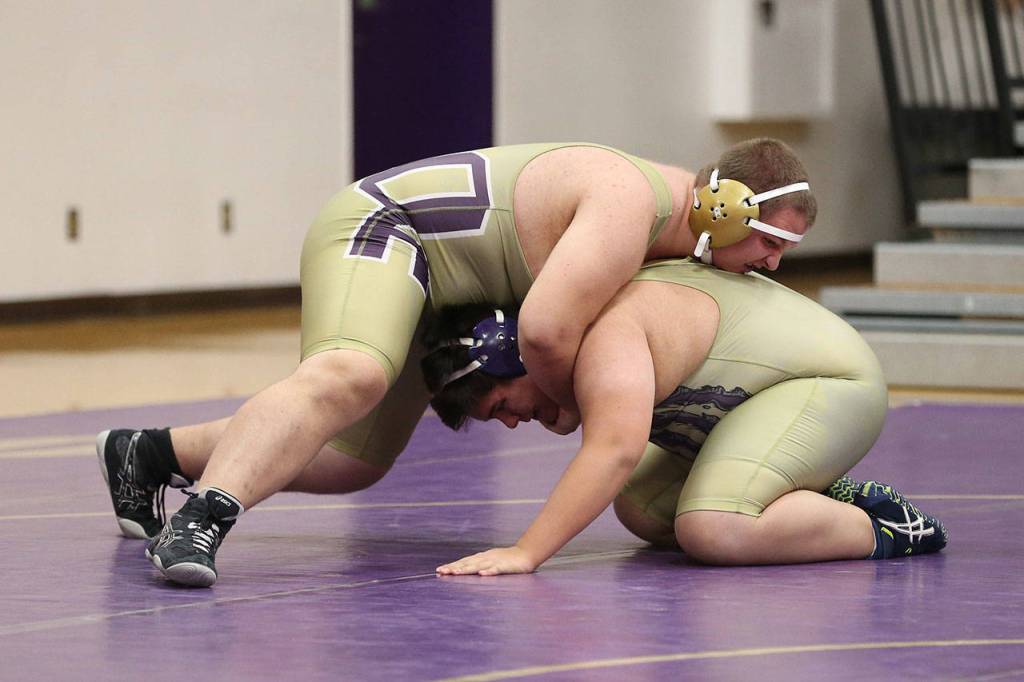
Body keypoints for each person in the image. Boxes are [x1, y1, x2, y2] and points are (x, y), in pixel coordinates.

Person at [97, 138, 815, 587]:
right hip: (387, 231)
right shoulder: (633, 203)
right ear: (723, 207)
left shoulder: (672, 231)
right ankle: (204, 520)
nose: (773, 264)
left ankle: (149, 453)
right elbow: (545, 330)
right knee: (353, 373)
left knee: (354, 460)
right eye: (767, 242)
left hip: (446, 279)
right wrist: (569, 407)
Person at [421, 260, 948, 576]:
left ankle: (889, 528)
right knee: (643, 509)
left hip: (829, 386)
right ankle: (823, 497)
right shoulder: (575, 325)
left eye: (502, 407)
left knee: (714, 527)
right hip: (756, 402)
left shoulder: (604, 335)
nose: (513, 423)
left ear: (515, 356)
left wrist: (525, 552)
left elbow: (614, 450)